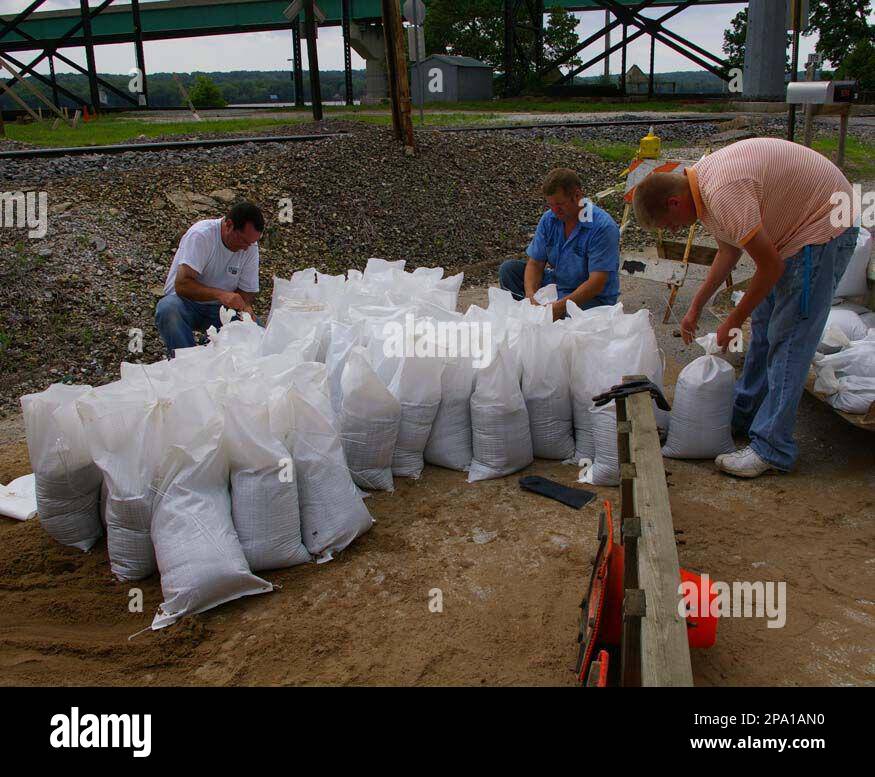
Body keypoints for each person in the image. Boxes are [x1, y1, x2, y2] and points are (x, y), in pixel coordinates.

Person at [633, 137, 859, 478]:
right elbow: (729, 252)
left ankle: (773, 448)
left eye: (671, 225)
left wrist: (735, 320)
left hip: (823, 228)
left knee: (790, 340)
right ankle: (745, 414)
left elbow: (770, 268)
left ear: (675, 202)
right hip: (792, 237)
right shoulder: (703, 190)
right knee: (766, 332)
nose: (677, 230)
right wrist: (695, 306)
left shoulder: (722, 192)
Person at [499, 167, 620, 320]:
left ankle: (549, 317)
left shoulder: (603, 227)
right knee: (509, 270)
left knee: (575, 317)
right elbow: (535, 263)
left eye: (559, 205)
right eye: (550, 205)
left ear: (577, 196)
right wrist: (530, 296)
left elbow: (596, 283)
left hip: (592, 298)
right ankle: (534, 313)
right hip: (559, 284)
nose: (555, 210)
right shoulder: (549, 219)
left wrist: (559, 308)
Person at [155, 202, 264, 356]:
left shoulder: (250, 247)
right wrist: (220, 295)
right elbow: (182, 285)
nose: (246, 248)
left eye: (251, 243)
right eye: (243, 241)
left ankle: (213, 352)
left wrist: (245, 307)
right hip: (186, 303)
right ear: (229, 225)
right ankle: (186, 362)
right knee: (168, 309)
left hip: (221, 310)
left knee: (257, 331)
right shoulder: (201, 235)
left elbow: (246, 292)